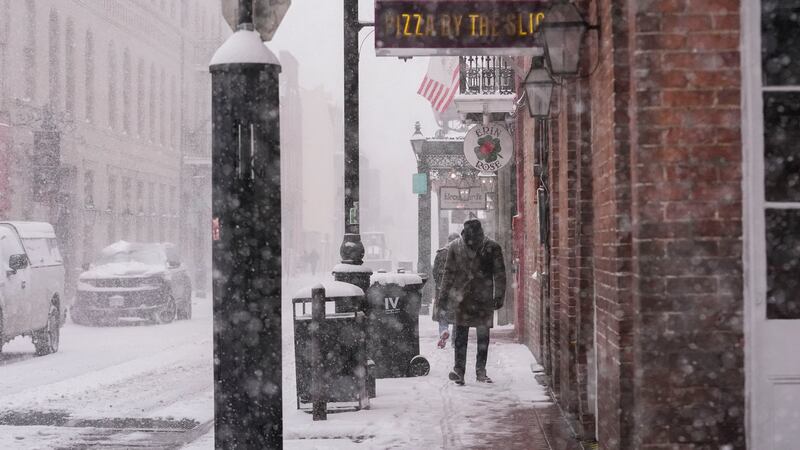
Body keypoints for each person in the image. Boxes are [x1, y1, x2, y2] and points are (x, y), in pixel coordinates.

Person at [438, 219, 506, 385]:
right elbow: (448, 273)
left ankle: (480, 371)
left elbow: (499, 274)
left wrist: (499, 295)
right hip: (462, 299)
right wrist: (443, 295)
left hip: (482, 299)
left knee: (482, 337)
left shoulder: (492, 247)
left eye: (476, 239)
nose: (474, 243)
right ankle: (459, 371)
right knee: (461, 337)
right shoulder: (455, 247)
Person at [432, 233, 460, 349]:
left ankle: (443, 330)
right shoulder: (461, 254)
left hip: (442, 290)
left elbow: (434, 272)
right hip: (456, 290)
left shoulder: (441, 253)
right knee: (457, 316)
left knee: (442, 313)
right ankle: (455, 340)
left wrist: (440, 285)